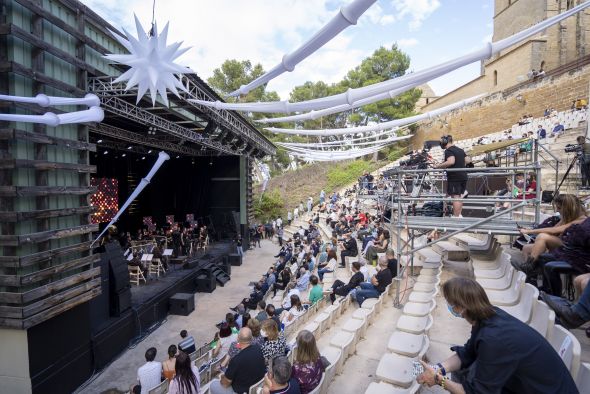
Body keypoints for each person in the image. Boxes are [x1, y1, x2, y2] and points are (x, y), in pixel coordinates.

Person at [416, 277, 578, 393]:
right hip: (536, 384)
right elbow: (468, 352)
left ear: (461, 307)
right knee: (463, 372)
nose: (449, 306)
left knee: (468, 380)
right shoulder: (490, 316)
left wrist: (439, 380)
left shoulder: (494, 339)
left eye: (450, 302)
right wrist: (437, 369)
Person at [210, 328, 266, 394]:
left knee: (213, 384)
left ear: (238, 339)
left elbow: (225, 384)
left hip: (241, 391)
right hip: (256, 386)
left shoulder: (236, 360)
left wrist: (222, 376)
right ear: (251, 338)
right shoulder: (259, 348)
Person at [436, 135, 468, 217]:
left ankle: (456, 217)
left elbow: (451, 161)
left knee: (456, 197)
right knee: (459, 196)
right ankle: (459, 215)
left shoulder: (448, 151)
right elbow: (468, 160)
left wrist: (439, 166)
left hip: (455, 177)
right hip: (463, 176)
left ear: (445, 142)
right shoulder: (460, 150)